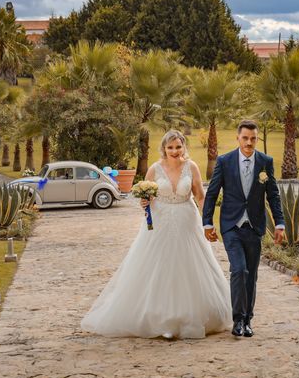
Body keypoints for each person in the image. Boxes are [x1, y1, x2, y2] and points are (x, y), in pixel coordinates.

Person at [81, 130, 231, 339]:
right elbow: (146, 198)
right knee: (160, 265)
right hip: (160, 223)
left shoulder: (192, 167)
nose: (175, 151)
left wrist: (207, 222)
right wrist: (144, 202)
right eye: (170, 147)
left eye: (178, 147)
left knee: (188, 264)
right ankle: (160, 318)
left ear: (183, 147)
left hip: (187, 222)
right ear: (164, 149)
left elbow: (200, 196)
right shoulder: (154, 169)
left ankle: (190, 315)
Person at [203, 120, 285, 337]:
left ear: (257, 139)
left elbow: (273, 195)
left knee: (251, 275)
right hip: (232, 225)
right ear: (238, 138)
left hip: (255, 226)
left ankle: (248, 320)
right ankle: (238, 320)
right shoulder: (225, 161)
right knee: (239, 270)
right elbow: (212, 194)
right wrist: (208, 223)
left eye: (253, 138)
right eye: (245, 138)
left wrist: (279, 223)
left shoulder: (265, 162)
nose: (249, 142)